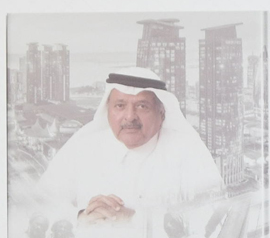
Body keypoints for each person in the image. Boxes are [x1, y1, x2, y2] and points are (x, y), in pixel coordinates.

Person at [38, 67, 224, 224]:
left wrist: (136, 219)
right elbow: (42, 204)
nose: (130, 116)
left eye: (142, 106)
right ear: (107, 110)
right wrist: (80, 217)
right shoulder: (83, 147)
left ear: (162, 113)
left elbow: (216, 217)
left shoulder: (187, 150)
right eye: (120, 106)